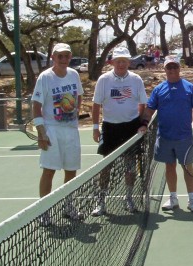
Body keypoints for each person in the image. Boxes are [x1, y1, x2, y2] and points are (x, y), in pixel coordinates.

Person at [139, 56, 193, 213]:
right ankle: (173, 197)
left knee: (188, 168)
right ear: (165, 69)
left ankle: (192, 198)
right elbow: (149, 110)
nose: (172, 70)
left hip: (185, 137)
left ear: (179, 68)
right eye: (169, 67)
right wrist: (143, 124)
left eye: (175, 66)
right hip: (165, 137)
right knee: (170, 166)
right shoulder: (158, 89)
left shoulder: (190, 87)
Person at [91, 46, 148, 216]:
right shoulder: (104, 80)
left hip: (130, 128)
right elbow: (96, 105)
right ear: (112, 62)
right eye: (118, 61)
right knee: (106, 166)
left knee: (129, 166)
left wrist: (139, 122)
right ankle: (101, 202)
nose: (121, 64)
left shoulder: (136, 79)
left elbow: (142, 103)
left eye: (124, 61)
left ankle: (128, 198)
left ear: (129, 62)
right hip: (110, 128)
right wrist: (95, 128)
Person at [31, 43, 84, 225]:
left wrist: (75, 111)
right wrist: (41, 133)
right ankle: (44, 211)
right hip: (51, 131)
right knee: (49, 171)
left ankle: (68, 206)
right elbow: (36, 106)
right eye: (59, 56)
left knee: (71, 171)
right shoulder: (45, 77)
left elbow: (79, 96)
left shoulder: (74, 75)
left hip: (71, 131)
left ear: (70, 58)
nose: (63, 59)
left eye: (66, 56)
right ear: (53, 57)